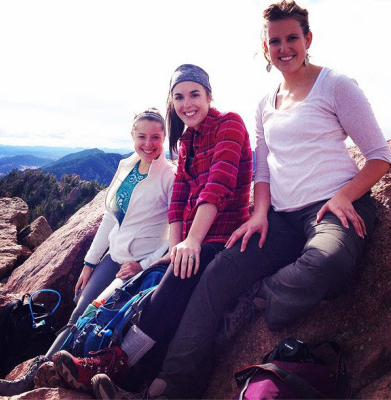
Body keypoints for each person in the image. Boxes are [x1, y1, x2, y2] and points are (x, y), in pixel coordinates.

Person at [89, 2, 391, 398]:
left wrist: (344, 195)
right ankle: (168, 388)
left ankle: (259, 297)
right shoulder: (266, 103)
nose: (284, 48)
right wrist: (260, 214)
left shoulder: (335, 85)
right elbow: (262, 170)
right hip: (280, 218)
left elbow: (379, 155)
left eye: (292, 38)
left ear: (308, 39)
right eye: (274, 41)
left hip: (331, 207)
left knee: (328, 261)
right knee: (217, 275)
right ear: (265, 47)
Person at [48, 63, 253, 397]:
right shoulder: (186, 141)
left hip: (220, 238)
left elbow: (218, 184)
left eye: (194, 95)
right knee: (135, 295)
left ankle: (116, 365)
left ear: (209, 95)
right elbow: (178, 202)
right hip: (187, 241)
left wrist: (190, 242)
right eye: (179, 97)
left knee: (173, 284)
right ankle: (101, 365)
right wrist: (176, 246)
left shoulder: (229, 123)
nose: (187, 103)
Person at [0, 108, 175, 396]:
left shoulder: (169, 175)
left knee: (96, 316)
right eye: (142, 136)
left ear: (165, 137)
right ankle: (34, 375)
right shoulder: (126, 166)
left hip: (138, 264)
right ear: (132, 136)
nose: (149, 144)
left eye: (156, 137)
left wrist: (145, 265)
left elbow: (175, 231)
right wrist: (89, 264)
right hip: (112, 256)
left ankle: (80, 373)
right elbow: (110, 218)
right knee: (77, 313)